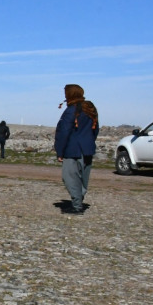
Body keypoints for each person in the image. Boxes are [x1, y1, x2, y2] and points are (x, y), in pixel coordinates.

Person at [54, 84, 99, 215]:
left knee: (69, 177)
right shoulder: (90, 109)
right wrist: (89, 143)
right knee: (83, 179)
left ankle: (77, 205)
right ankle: (78, 202)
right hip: (87, 149)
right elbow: (95, 129)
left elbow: (63, 132)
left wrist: (60, 151)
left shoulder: (71, 110)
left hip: (72, 150)